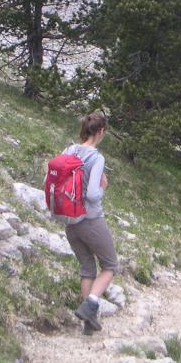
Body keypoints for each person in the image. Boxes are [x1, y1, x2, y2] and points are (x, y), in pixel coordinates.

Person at [64, 112, 118, 335]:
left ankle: (88, 321)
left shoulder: (69, 150)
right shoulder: (96, 158)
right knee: (110, 265)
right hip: (90, 219)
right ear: (101, 131)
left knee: (87, 267)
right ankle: (92, 303)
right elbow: (93, 194)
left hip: (69, 220)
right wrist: (104, 186)